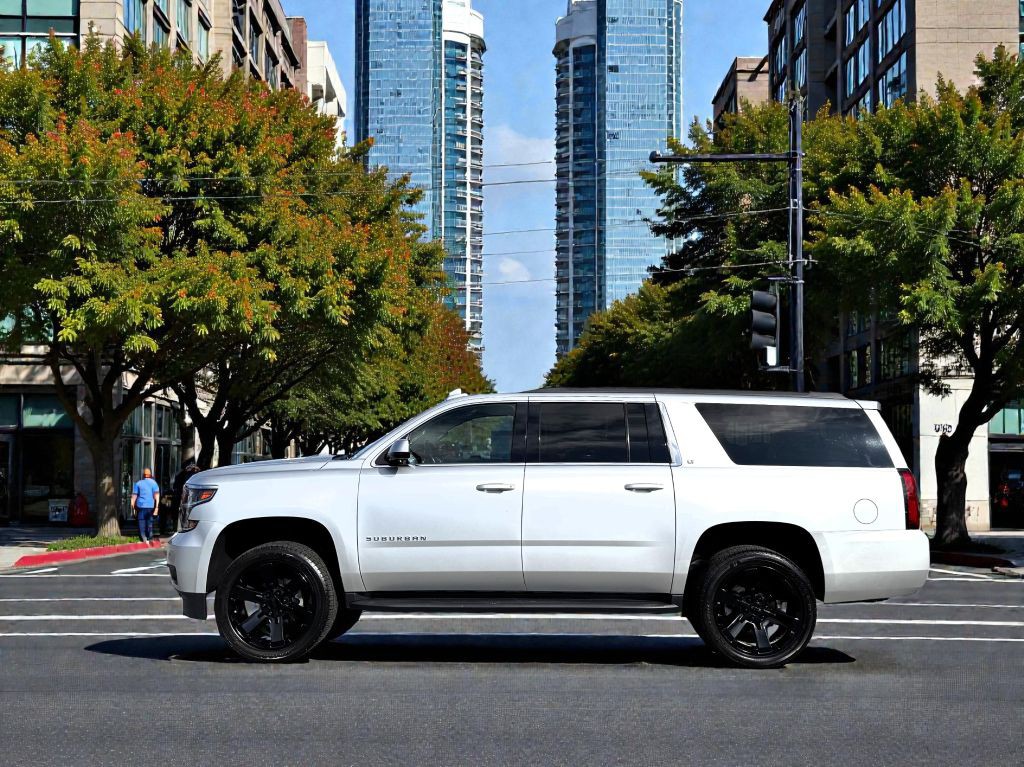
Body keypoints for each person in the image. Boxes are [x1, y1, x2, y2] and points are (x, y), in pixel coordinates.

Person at [167, 461, 201, 535]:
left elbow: (175, 487)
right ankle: (180, 528)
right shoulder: (196, 475)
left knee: (181, 513)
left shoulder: (182, 474)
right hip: (187, 497)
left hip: (185, 497)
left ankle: (178, 528)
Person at [131, 468, 160, 545]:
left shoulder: (138, 483)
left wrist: (133, 506)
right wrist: (156, 507)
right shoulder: (154, 483)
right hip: (151, 506)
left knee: (141, 521)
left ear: (143, 475)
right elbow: (157, 496)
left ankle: (143, 537)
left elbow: (134, 496)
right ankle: (150, 537)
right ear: (150, 475)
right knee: (149, 521)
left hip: (141, 506)